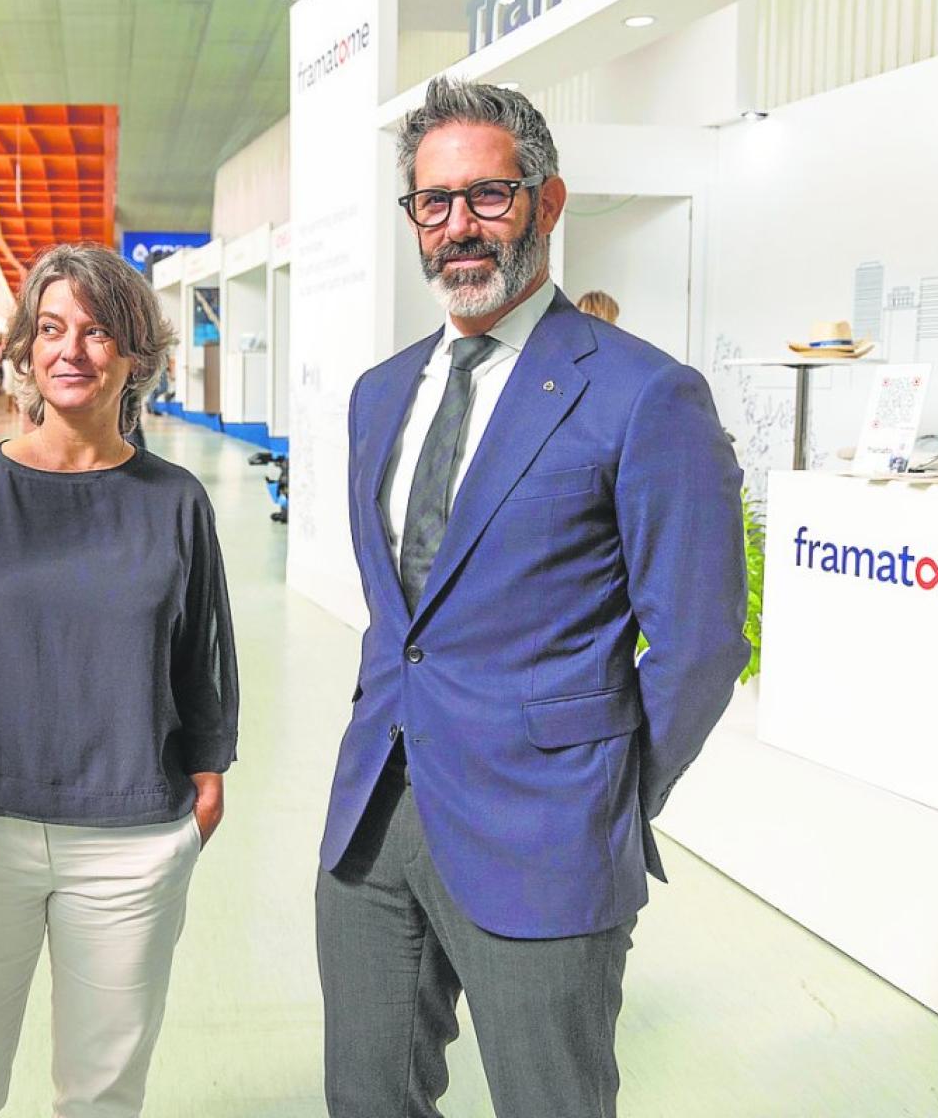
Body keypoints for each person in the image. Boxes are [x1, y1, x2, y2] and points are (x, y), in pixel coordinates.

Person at [316, 76, 747, 1118]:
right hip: (374, 822)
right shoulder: (381, 394)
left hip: (546, 835)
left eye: (488, 197)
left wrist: (601, 793)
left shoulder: (643, 394)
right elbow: (403, 622)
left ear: (548, 205)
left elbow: (700, 643)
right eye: (435, 202)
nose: (459, 227)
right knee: (367, 1099)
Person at [0, 243, 239, 1118]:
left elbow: (202, 656)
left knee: (103, 1098)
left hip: (130, 845)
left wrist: (203, 788)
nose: (72, 350)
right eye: (52, 329)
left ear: (136, 354)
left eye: (99, 332)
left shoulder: (175, 501)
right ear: (24, 349)